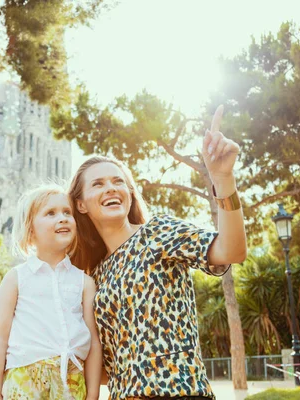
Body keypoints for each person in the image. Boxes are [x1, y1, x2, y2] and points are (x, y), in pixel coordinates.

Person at [68, 106, 247, 399]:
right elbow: (105, 368)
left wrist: (223, 179)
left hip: (180, 392)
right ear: (81, 204)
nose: (111, 189)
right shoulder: (92, 276)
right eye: (98, 184)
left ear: (129, 192)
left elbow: (232, 250)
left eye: (117, 182)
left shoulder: (158, 233)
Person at [0, 184, 103, 400]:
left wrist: (93, 394)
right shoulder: (16, 279)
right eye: (51, 213)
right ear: (30, 230)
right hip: (24, 380)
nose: (63, 218)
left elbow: (94, 342)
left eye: (67, 212)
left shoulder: (85, 283)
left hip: (72, 381)